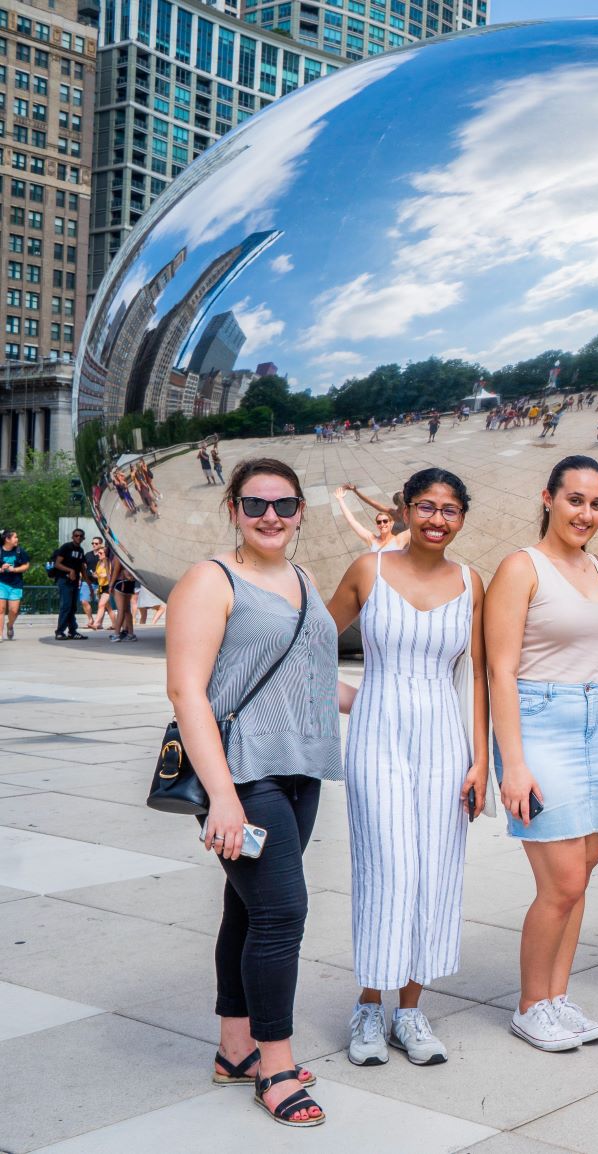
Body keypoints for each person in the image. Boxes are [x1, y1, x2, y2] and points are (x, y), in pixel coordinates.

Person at [164, 458, 342, 1128]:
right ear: (233, 509)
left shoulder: (305, 579)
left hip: (298, 769)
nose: (272, 516)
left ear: (300, 511)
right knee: (280, 915)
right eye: (256, 504)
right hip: (242, 775)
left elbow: (315, 679)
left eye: (285, 504)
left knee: (246, 911)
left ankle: (235, 1049)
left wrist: (398, 701)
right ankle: (276, 1064)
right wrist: (226, 799)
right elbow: (187, 691)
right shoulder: (210, 580)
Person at [325, 469, 489, 1068]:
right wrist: (348, 697)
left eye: (449, 509)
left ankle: (412, 1010)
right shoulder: (369, 571)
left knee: (436, 872)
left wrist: (479, 761)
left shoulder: (472, 582)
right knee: (387, 868)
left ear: (462, 518)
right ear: (405, 509)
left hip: (446, 741)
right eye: (425, 506)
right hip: (378, 737)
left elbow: (475, 673)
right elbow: (311, 638)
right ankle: (369, 1005)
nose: (436, 519)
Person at [486, 455, 598, 1051]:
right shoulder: (522, 567)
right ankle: (528, 1004)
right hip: (542, 725)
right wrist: (512, 762)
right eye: (575, 500)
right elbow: (499, 669)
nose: (586, 514)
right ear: (548, 498)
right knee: (561, 881)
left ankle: (556, 997)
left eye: (596, 503)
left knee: (583, 872)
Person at [334, 485, 402, 552]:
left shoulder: (401, 539)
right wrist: (340, 500)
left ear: (391, 523)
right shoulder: (372, 540)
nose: (382, 524)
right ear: (377, 525)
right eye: (379, 522)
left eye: (385, 521)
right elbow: (352, 521)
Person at [50, 528, 87, 640]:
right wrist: (70, 570)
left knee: (72, 607)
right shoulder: (66, 547)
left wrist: (88, 583)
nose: (78, 537)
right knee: (65, 606)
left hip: (75, 582)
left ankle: (72, 631)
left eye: (80, 536)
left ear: (83, 538)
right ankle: (60, 631)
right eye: (76, 535)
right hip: (64, 580)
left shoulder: (80, 550)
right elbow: (57, 564)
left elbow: (81, 567)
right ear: (72, 536)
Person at [0, 528, 28, 641]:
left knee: (14, 610)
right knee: (1, 609)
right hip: (1, 583)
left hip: (16, 584)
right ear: (7, 539)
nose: (17, 539)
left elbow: (26, 566)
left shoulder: (20, 551)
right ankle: (0, 634)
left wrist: (14, 570)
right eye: (15, 537)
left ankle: (10, 625)